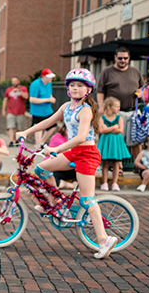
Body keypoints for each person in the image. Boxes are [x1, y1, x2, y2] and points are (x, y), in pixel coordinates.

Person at [18, 68, 119, 259]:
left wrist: (57, 149)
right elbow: (48, 121)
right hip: (74, 152)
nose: (75, 88)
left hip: (87, 154)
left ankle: (104, 239)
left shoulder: (86, 110)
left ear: (88, 90)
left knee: (87, 199)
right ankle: (56, 203)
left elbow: (81, 137)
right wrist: (26, 132)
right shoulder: (66, 107)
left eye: (80, 86)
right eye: (72, 85)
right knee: (41, 168)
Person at [96, 47, 144, 158]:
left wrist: (141, 92)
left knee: (135, 140)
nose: (122, 60)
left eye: (125, 58)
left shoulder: (135, 71)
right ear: (115, 57)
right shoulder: (107, 72)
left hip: (132, 111)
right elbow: (100, 91)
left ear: (129, 58)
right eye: (120, 58)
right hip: (113, 113)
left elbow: (143, 87)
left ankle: (138, 166)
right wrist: (101, 107)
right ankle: (118, 167)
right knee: (116, 140)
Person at [97, 96, 131, 191]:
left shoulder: (119, 117)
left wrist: (107, 129)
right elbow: (101, 130)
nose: (118, 108)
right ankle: (104, 182)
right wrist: (113, 127)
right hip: (106, 142)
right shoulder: (102, 118)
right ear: (109, 107)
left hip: (116, 142)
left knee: (116, 163)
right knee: (105, 163)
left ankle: (115, 183)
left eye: (119, 106)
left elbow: (120, 130)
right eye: (116, 106)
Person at [28, 69, 56, 144]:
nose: (51, 79)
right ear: (43, 76)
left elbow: (49, 94)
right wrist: (48, 100)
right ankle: (38, 146)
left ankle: (41, 142)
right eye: (49, 77)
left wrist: (51, 98)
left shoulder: (49, 83)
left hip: (47, 110)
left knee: (53, 126)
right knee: (39, 128)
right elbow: (32, 99)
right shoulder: (35, 84)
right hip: (38, 111)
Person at [2, 76, 29, 143]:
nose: (14, 82)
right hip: (10, 111)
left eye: (15, 81)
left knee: (19, 127)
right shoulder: (8, 89)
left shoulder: (23, 88)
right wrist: (3, 110)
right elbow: (5, 100)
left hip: (20, 112)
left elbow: (26, 97)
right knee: (10, 126)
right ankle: (11, 140)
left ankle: (17, 140)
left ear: (18, 82)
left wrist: (20, 91)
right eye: (12, 81)